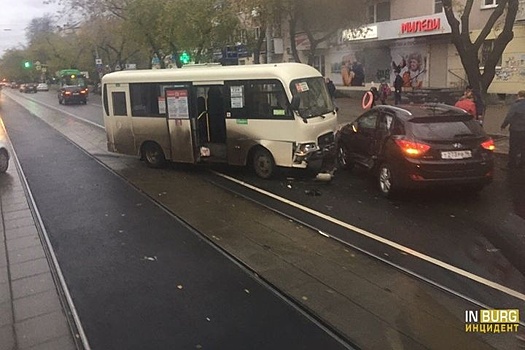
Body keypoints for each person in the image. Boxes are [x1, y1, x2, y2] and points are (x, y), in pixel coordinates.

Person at [500, 90, 525, 169]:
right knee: (523, 147)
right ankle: (522, 164)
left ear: (518, 95)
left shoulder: (515, 105)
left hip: (516, 129)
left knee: (513, 147)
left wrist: (504, 125)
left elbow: (509, 116)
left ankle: (512, 164)